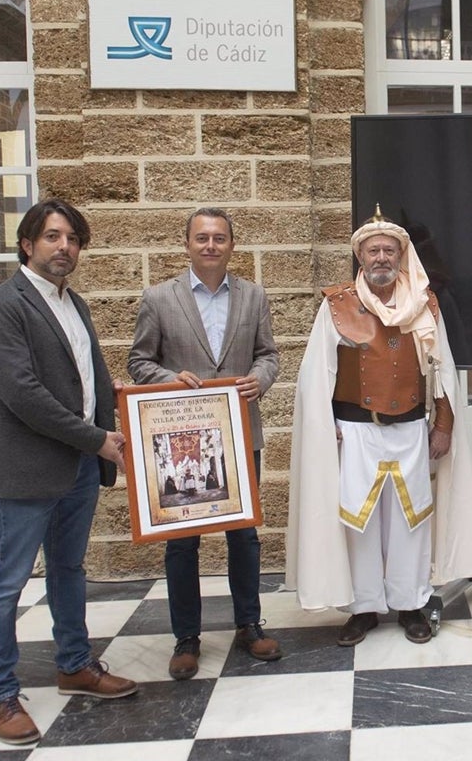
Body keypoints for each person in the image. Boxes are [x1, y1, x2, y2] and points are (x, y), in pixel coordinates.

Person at [285, 206, 472, 645]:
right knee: (359, 523)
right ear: (360, 257)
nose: (381, 257)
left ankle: (411, 603)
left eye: (389, 250)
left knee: (410, 519)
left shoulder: (424, 303)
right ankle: (364, 608)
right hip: (356, 430)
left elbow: (444, 370)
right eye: (373, 250)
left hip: (412, 429)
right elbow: (315, 375)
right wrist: (325, 427)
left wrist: (445, 425)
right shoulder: (337, 305)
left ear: (401, 255)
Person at [0, 198, 138, 745]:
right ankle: (0, 695)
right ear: (27, 243)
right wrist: (99, 439)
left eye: (71, 238)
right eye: (51, 236)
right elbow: (24, 394)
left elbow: (89, 377)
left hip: (78, 470)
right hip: (27, 473)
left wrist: (123, 415)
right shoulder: (4, 305)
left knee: (69, 571)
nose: (63, 246)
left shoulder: (76, 304)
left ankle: (75, 665)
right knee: (7, 582)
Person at [128, 207, 282, 680]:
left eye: (219, 238)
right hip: (180, 439)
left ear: (232, 245)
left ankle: (249, 624)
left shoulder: (253, 296)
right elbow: (138, 361)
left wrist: (260, 379)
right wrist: (171, 378)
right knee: (182, 543)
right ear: (188, 245)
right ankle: (187, 638)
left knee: (244, 536)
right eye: (202, 238)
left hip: (238, 434)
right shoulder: (158, 298)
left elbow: (268, 354)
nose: (211, 246)